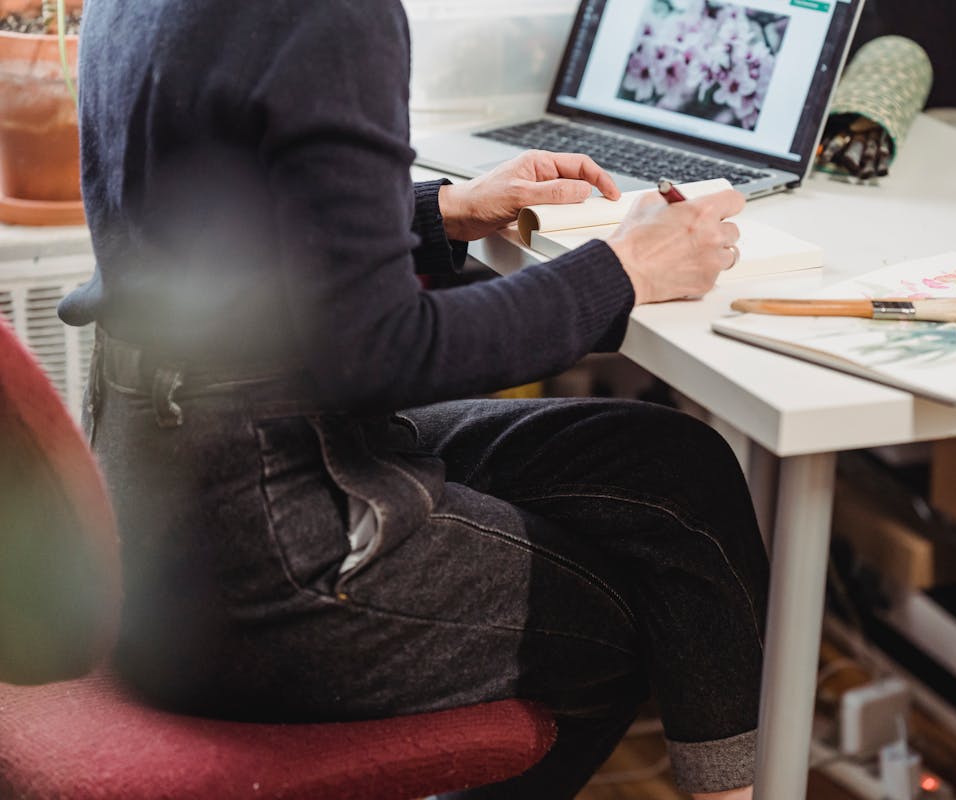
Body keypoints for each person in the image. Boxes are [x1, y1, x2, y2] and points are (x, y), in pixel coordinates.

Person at [60, 1, 770, 798]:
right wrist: (623, 269)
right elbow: (385, 352)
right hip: (259, 539)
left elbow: (226, 205)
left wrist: (437, 211)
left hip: (158, 476)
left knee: (672, 467)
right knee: (619, 629)